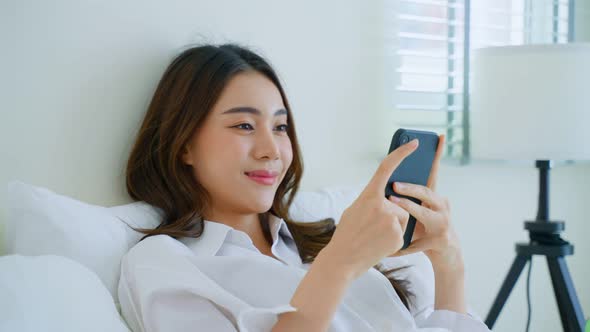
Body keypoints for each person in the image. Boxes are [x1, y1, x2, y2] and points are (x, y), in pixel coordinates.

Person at [118, 43, 490, 332]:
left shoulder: (320, 240)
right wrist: (338, 266)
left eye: (280, 128)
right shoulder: (166, 262)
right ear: (184, 144)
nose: (271, 151)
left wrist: (448, 264)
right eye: (244, 126)